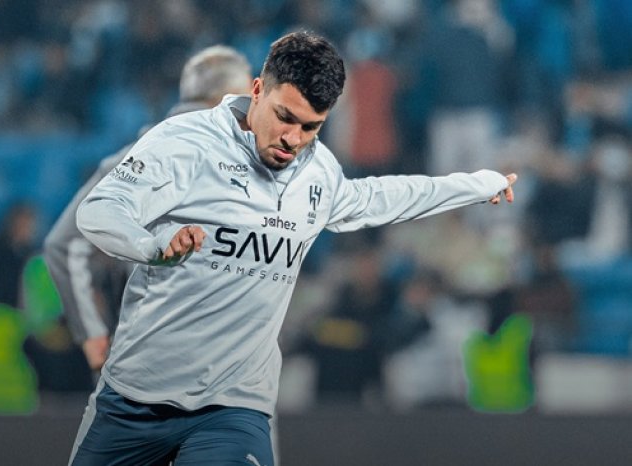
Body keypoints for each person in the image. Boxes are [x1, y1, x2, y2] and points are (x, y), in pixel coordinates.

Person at [71, 31, 517, 465]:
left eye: (311, 127)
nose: (293, 139)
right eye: (285, 117)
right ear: (257, 90)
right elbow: (99, 209)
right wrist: (151, 246)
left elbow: (382, 197)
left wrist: (475, 185)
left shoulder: (318, 171)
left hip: (233, 407)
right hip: (135, 398)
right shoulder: (185, 143)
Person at [43, 45, 253, 376]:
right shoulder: (249, 165)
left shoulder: (130, 157)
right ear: (226, 98)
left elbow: (64, 245)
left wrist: (93, 334)